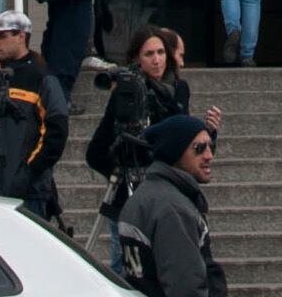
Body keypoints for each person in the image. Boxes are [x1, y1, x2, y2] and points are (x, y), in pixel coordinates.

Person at [113, 115, 231, 297]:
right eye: (199, 148)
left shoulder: (145, 197)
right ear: (175, 152)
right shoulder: (172, 209)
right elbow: (186, 294)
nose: (209, 155)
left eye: (211, 146)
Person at [0, 7, 67, 225]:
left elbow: (56, 132)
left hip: (28, 189)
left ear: (21, 36)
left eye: (2, 36)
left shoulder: (41, 77)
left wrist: (28, 172)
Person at [92, 28, 220, 205]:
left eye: (161, 52)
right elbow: (96, 152)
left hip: (174, 189)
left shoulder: (180, 89)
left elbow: (185, 146)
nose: (156, 60)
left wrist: (209, 132)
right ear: (137, 58)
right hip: (135, 191)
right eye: (149, 54)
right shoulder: (128, 91)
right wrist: (122, 175)